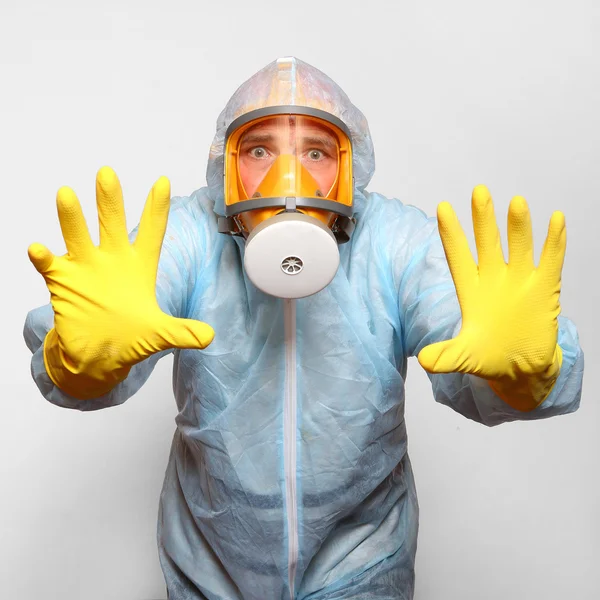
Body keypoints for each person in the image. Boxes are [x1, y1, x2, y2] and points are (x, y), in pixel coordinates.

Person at [23, 57, 584, 600]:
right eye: (260, 149)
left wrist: (528, 373)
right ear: (227, 164)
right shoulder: (187, 235)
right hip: (208, 565)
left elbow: (468, 332)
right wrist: (78, 362)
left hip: (363, 562)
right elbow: (104, 315)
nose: (285, 176)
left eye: (315, 151)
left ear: (350, 167)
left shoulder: (394, 243)